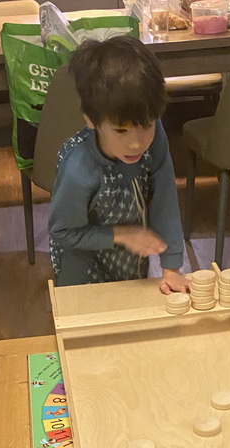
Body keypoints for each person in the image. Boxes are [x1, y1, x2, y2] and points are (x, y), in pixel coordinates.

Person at [48, 36, 187, 293]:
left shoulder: (155, 138)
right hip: (81, 269)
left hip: (129, 262)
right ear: (91, 121)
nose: (136, 144)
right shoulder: (79, 170)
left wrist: (171, 269)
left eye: (146, 125)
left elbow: (165, 201)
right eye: (121, 131)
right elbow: (63, 232)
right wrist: (124, 234)